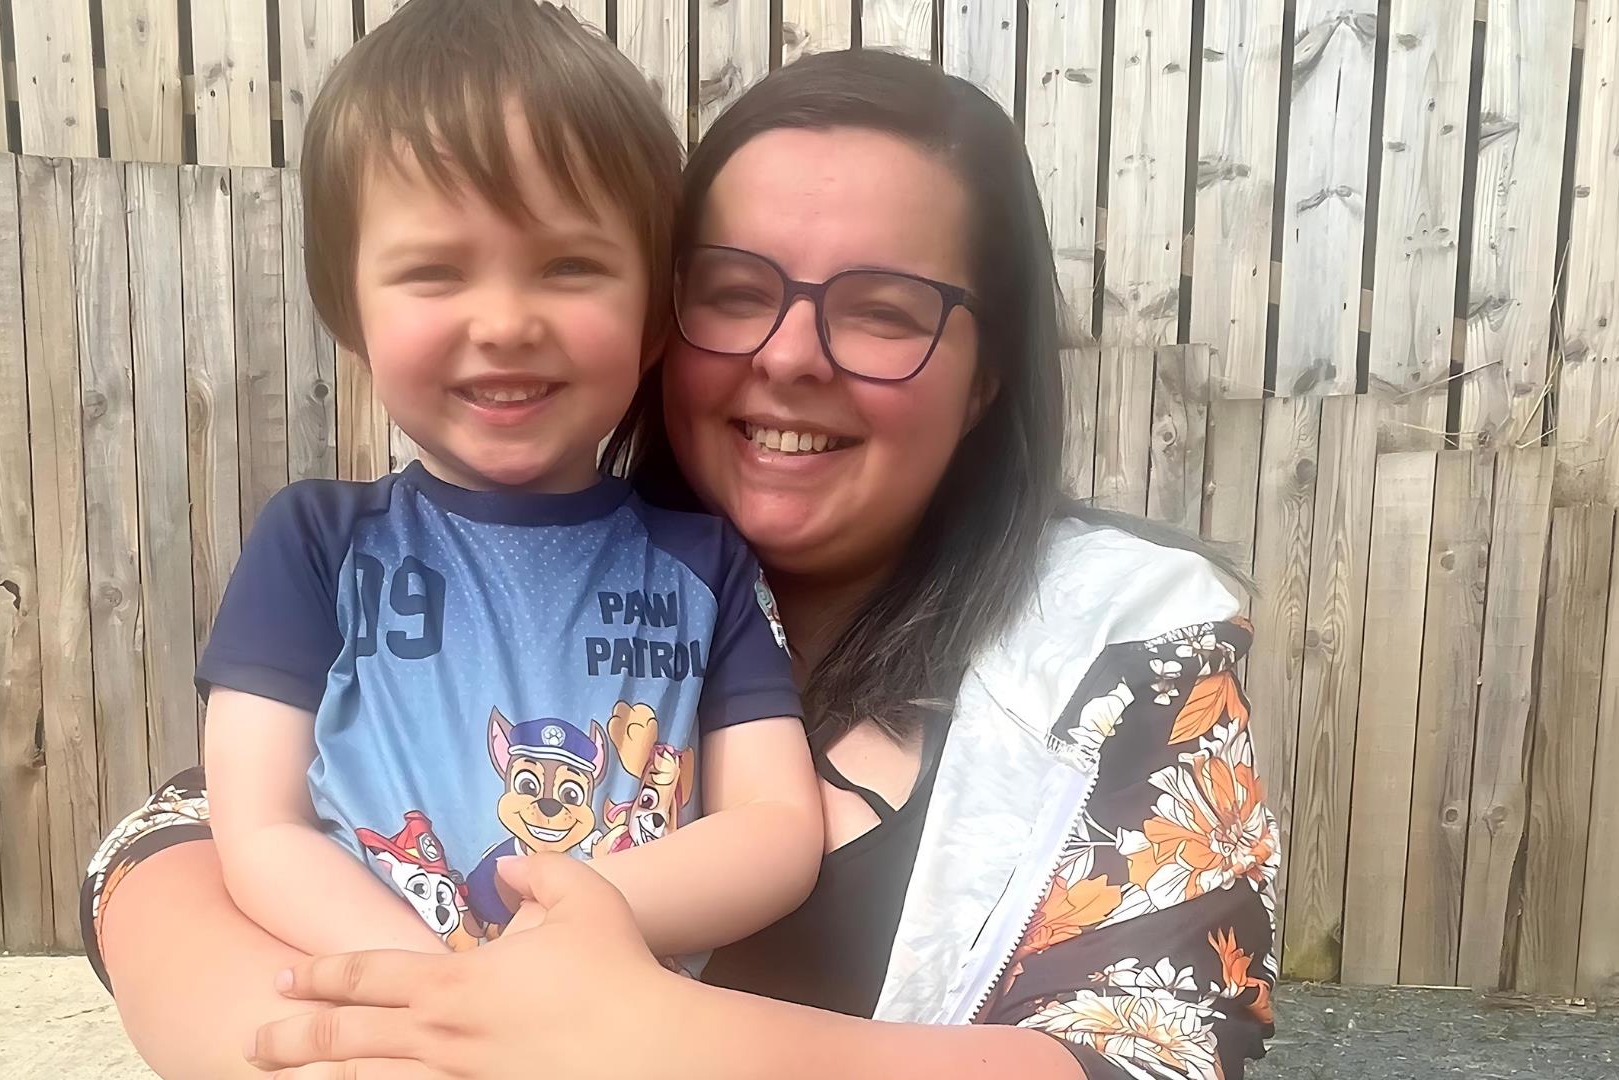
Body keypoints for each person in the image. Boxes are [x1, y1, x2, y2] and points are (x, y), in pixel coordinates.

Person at [95, 46, 1281, 1080]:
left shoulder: (1118, 652)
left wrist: (661, 1045)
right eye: (734, 292)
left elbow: (1157, 1052)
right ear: (671, 320)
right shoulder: (435, 554)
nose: (793, 358)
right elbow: (196, 837)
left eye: (881, 309)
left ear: (990, 372)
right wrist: (382, 1034)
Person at [77, 0, 823, 1022]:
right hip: (390, 1028)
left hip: (616, 1030)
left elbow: (778, 828)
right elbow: (259, 829)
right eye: (434, 270)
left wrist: (573, 929)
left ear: (655, 314)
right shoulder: (314, 546)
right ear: (351, 309)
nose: (507, 321)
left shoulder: (706, 566)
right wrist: (443, 989)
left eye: (569, 266)